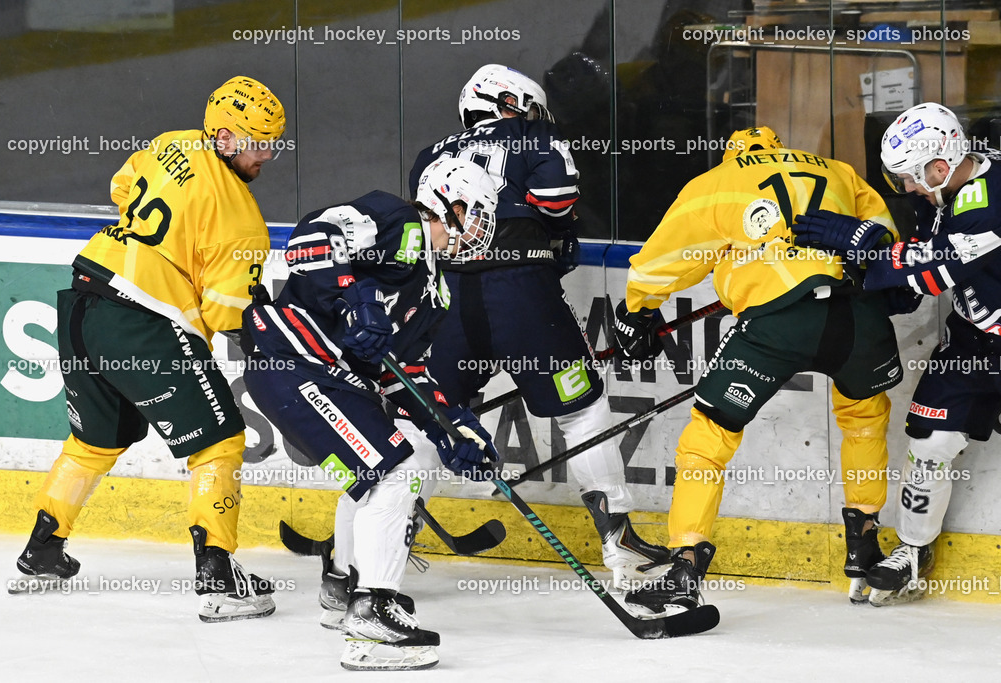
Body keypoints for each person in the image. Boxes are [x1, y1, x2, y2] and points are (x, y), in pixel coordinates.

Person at [13, 76, 286, 622]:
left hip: (82, 301)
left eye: (273, 142)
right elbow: (223, 316)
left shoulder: (175, 142)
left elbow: (122, 186)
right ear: (227, 137)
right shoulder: (244, 221)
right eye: (258, 143)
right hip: (142, 322)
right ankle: (217, 575)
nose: (267, 155)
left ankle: (42, 548)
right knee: (222, 441)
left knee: (93, 441)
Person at [616, 126, 904, 614]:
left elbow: (665, 258)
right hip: (858, 317)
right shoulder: (836, 169)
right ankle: (865, 543)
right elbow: (885, 239)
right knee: (865, 417)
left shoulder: (719, 182)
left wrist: (637, 310)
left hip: (778, 324)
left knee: (710, 435)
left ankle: (686, 565)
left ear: (734, 152)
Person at [405, 64, 670, 590]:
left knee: (429, 417)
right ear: (513, 103)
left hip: (446, 302)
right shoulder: (535, 135)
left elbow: (436, 231)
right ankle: (620, 545)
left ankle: (388, 539)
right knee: (582, 412)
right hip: (522, 293)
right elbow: (558, 202)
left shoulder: (429, 154)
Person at [242, 159, 502, 671]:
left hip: (325, 378)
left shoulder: (436, 289)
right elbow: (310, 239)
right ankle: (372, 616)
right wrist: (359, 297)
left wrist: (452, 427)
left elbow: (403, 374)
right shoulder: (397, 220)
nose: (479, 230)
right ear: (446, 203)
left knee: (385, 472)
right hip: (293, 362)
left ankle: (350, 594)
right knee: (396, 472)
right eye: (475, 215)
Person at [792, 102, 1001, 606]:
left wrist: (861, 245)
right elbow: (924, 262)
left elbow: (937, 266)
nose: (907, 188)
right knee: (929, 443)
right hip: (973, 340)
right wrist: (878, 283)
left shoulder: (991, 204)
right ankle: (913, 551)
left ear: (940, 163)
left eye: (911, 177)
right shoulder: (949, 190)